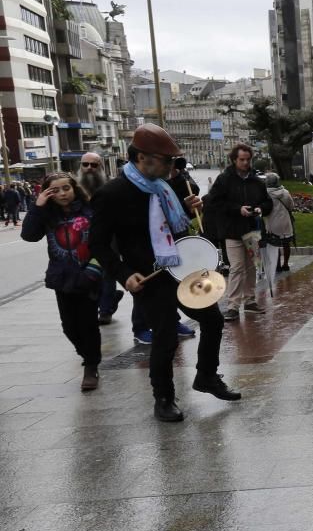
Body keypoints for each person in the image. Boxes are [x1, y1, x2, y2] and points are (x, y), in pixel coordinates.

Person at [90, 124, 241, 422]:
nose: (172, 167)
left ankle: (206, 377)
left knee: (212, 318)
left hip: (181, 269)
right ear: (143, 158)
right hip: (148, 275)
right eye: (166, 161)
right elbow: (97, 243)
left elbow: (176, 229)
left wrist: (187, 210)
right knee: (166, 335)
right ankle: (163, 398)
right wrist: (124, 273)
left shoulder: (165, 188)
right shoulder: (112, 193)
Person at [21, 172, 104, 391]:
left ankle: (91, 366)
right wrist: (38, 206)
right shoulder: (47, 215)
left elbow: (105, 241)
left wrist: (94, 271)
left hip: (88, 275)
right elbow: (29, 235)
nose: (62, 193)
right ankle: (87, 353)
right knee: (69, 327)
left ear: (74, 188)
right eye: (55, 190)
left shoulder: (90, 210)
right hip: (62, 278)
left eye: (66, 188)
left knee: (88, 323)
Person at [204, 144, 272, 322]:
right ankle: (233, 305)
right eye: (242, 159)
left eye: (248, 159)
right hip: (232, 230)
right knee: (237, 267)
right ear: (234, 160)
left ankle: (250, 301)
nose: (245, 163)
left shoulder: (256, 181)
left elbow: (267, 203)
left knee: (251, 266)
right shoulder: (225, 179)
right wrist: (237, 209)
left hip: (252, 230)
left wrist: (259, 209)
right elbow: (213, 203)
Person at [77, 152, 125, 326]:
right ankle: (111, 299)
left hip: (108, 241)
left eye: (94, 165)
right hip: (82, 242)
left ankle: (105, 311)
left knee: (107, 275)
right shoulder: (72, 188)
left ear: (101, 168)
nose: (89, 168)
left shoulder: (111, 187)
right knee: (88, 277)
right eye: (86, 164)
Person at [263, 173, 294, 273]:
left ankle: (277, 266)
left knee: (274, 245)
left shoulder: (265, 194)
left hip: (272, 223)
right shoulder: (285, 192)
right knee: (286, 244)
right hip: (285, 222)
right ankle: (286, 264)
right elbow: (291, 206)